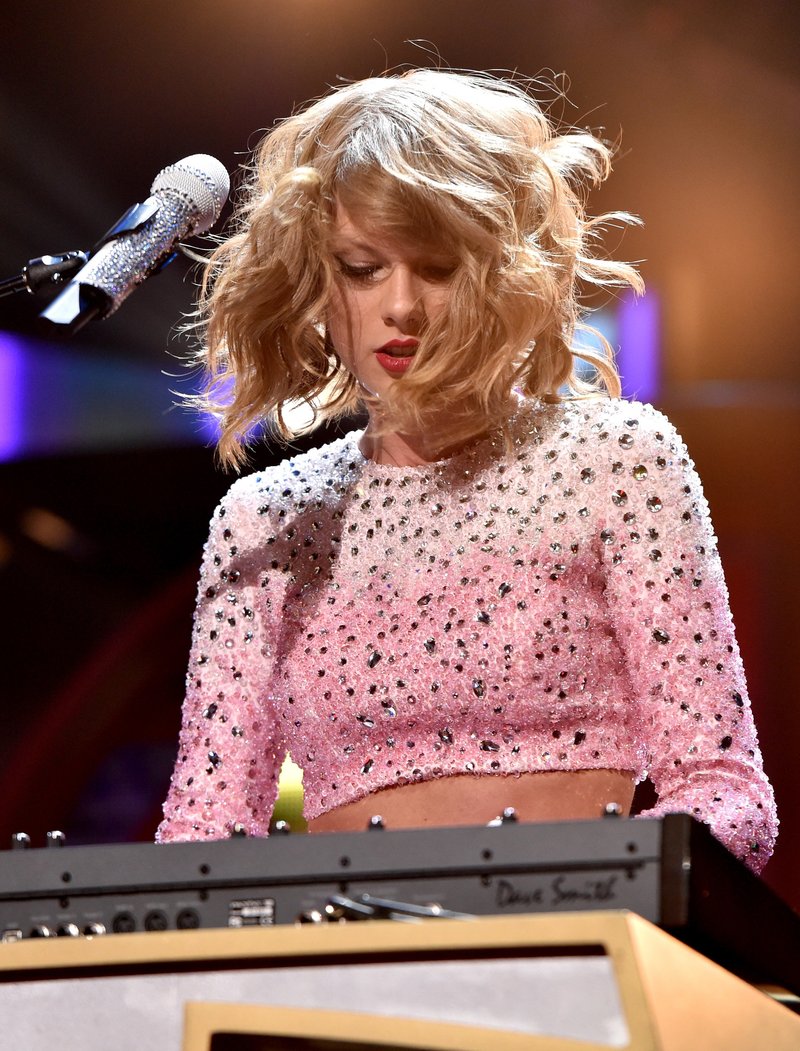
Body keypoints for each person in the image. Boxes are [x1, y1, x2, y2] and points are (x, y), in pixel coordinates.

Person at [156, 69, 777, 873]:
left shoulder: (619, 461)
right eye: (362, 267)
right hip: (341, 951)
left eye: (438, 267)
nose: (401, 306)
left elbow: (726, 790)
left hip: (578, 939)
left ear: (504, 270)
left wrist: (604, 891)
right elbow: (202, 833)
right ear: (316, 280)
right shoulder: (268, 518)